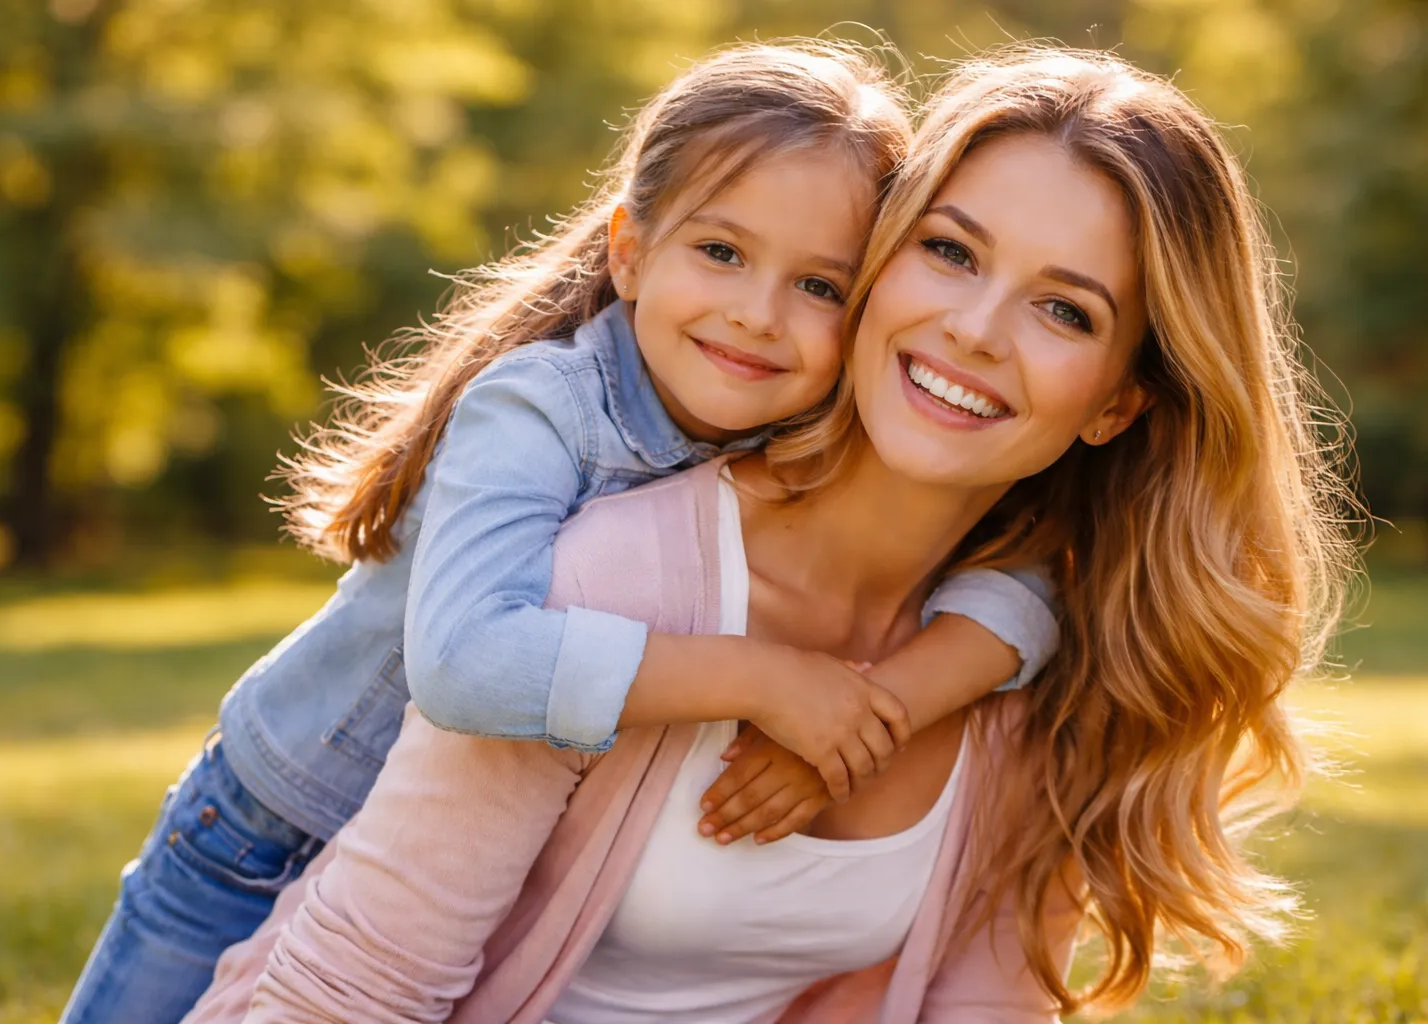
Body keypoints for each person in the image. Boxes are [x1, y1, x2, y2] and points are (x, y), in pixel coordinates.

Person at [181, 43, 1356, 1023]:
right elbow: (354, 991)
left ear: (1119, 401)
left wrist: (895, 697)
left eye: (1065, 309)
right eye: (950, 252)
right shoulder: (610, 576)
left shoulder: (1042, 659)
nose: (976, 329)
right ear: (879, 263)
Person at [62, 40, 1058, 1024]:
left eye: (819, 287)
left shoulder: (795, 423)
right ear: (630, 252)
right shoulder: (541, 409)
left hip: (454, 868)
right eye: (721, 252)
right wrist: (765, 679)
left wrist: (892, 703)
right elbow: (466, 664)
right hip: (268, 822)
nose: (759, 315)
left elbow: (1034, 584)